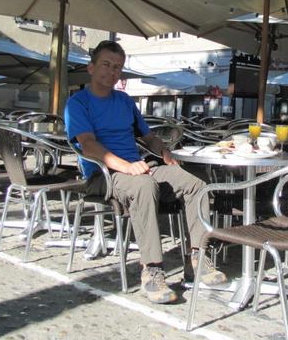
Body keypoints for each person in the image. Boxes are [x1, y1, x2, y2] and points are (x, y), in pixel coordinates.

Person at [65, 40, 226, 304]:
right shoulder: (77, 103)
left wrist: (163, 151)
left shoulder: (125, 101)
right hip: (101, 175)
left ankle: (197, 258)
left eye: (117, 67)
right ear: (91, 68)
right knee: (143, 186)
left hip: (138, 168)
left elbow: (148, 137)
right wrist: (127, 167)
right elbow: (89, 145)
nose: (112, 71)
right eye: (106, 65)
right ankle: (151, 271)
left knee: (196, 182)